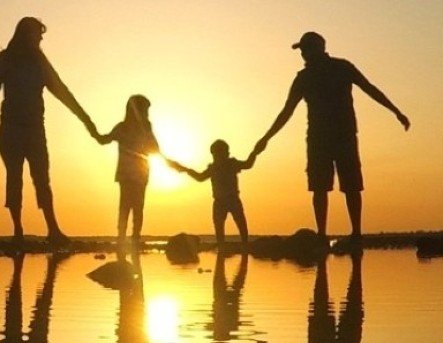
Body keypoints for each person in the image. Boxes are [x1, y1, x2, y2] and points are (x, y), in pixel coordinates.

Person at [253, 31, 411, 241]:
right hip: (321, 138)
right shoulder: (305, 77)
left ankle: (354, 233)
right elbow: (287, 111)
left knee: (350, 185)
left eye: (305, 50)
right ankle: (323, 234)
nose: (303, 55)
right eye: (302, 51)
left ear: (317, 48)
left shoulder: (341, 68)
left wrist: (395, 111)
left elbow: (370, 89)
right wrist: (266, 138)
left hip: (341, 135)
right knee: (321, 187)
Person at [0, 17, 100, 246]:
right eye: (37, 34)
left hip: (35, 129)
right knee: (14, 178)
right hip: (10, 129)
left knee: (42, 179)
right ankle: (18, 230)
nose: (40, 39)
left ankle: (53, 230)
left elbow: (61, 91)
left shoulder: (40, 62)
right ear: (26, 34)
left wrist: (85, 119)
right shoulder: (7, 60)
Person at [95, 95, 160, 244]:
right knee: (130, 207)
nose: (147, 114)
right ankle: (126, 238)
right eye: (145, 110)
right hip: (130, 174)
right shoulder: (124, 128)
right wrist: (94, 132)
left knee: (131, 207)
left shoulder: (135, 127)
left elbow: (154, 148)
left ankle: (129, 237)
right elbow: (105, 139)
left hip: (137, 174)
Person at [168, 140, 257, 247]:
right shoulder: (213, 168)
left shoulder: (232, 163)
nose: (217, 157)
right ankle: (223, 251)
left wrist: (255, 152)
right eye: (215, 154)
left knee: (242, 228)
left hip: (233, 200)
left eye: (219, 154)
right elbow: (200, 177)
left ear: (226, 153)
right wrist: (184, 169)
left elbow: (248, 164)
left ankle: (244, 248)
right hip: (219, 202)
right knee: (220, 232)